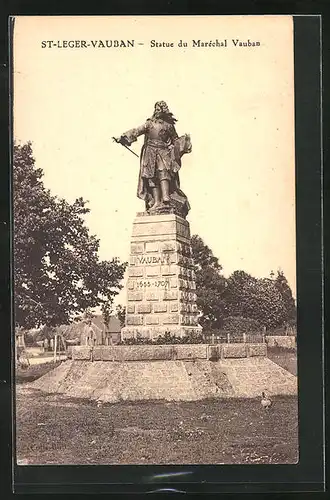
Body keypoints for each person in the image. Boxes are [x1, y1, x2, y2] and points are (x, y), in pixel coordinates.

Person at [115, 101, 191, 213]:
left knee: (163, 172)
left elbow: (175, 140)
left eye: (159, 109)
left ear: (164, 111)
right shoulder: (149, 123)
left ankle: (166, 198)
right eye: (156, 109)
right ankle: (156, 202)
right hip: (150, 151)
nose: (157, 111)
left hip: (163, 151)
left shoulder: (169, 125)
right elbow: (137, 131)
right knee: (150, 176)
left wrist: (181, 144)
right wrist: (124, 138)